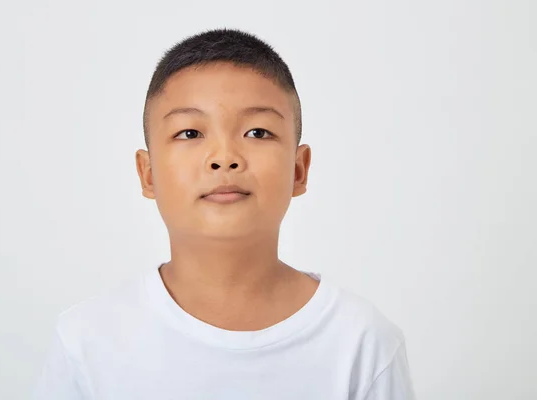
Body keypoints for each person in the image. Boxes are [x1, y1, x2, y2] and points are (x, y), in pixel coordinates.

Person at [33, 28, 415, 399]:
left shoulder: (362, 343)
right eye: (189, 133)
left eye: (258, 133)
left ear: (299, 170)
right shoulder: (86, 341)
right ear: (147, 174)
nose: (224, 158)